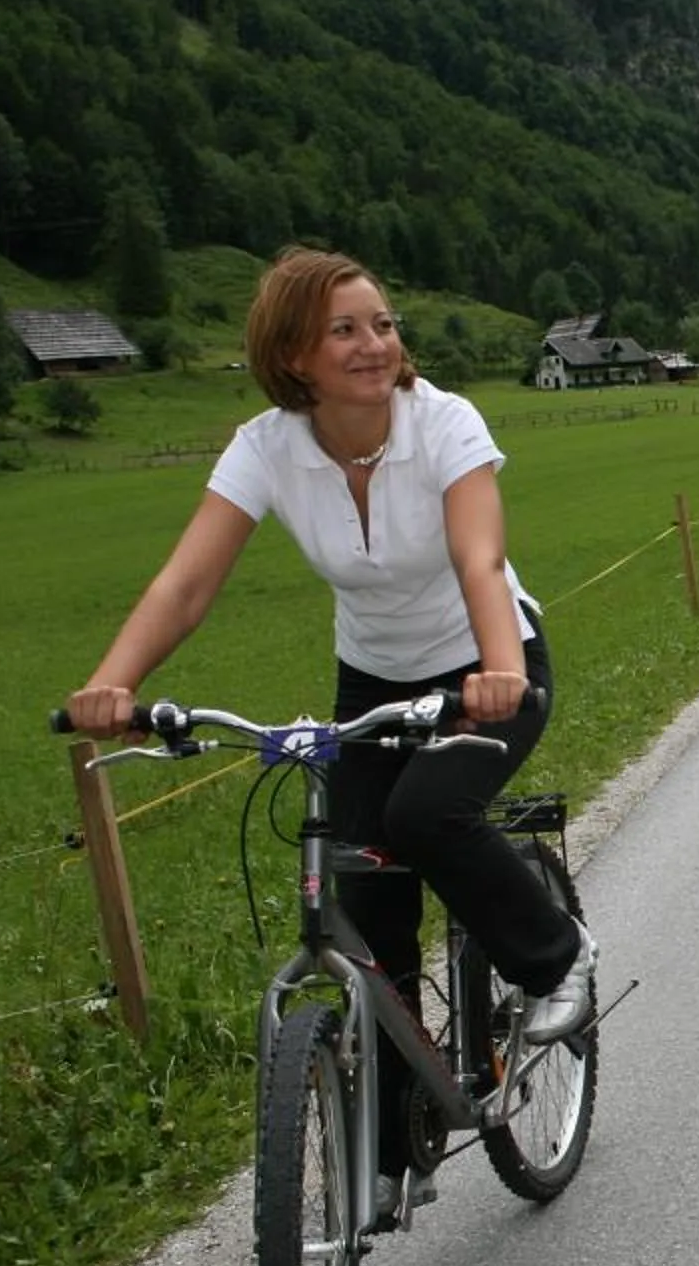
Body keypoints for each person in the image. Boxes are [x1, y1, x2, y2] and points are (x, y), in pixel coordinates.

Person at [63, 248, 598, 1175]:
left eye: (383, 324)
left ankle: (556, 961)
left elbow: (480, 560)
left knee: (427, 814)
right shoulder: (266, 447)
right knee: (368, 893)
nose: (373, 344)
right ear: (294, 353)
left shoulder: (444, 425)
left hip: (488, 659)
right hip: (374, 680)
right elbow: (187, 584)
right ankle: (396, 1143)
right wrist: (113, 683)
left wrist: (500, 670)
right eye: (344, 329)